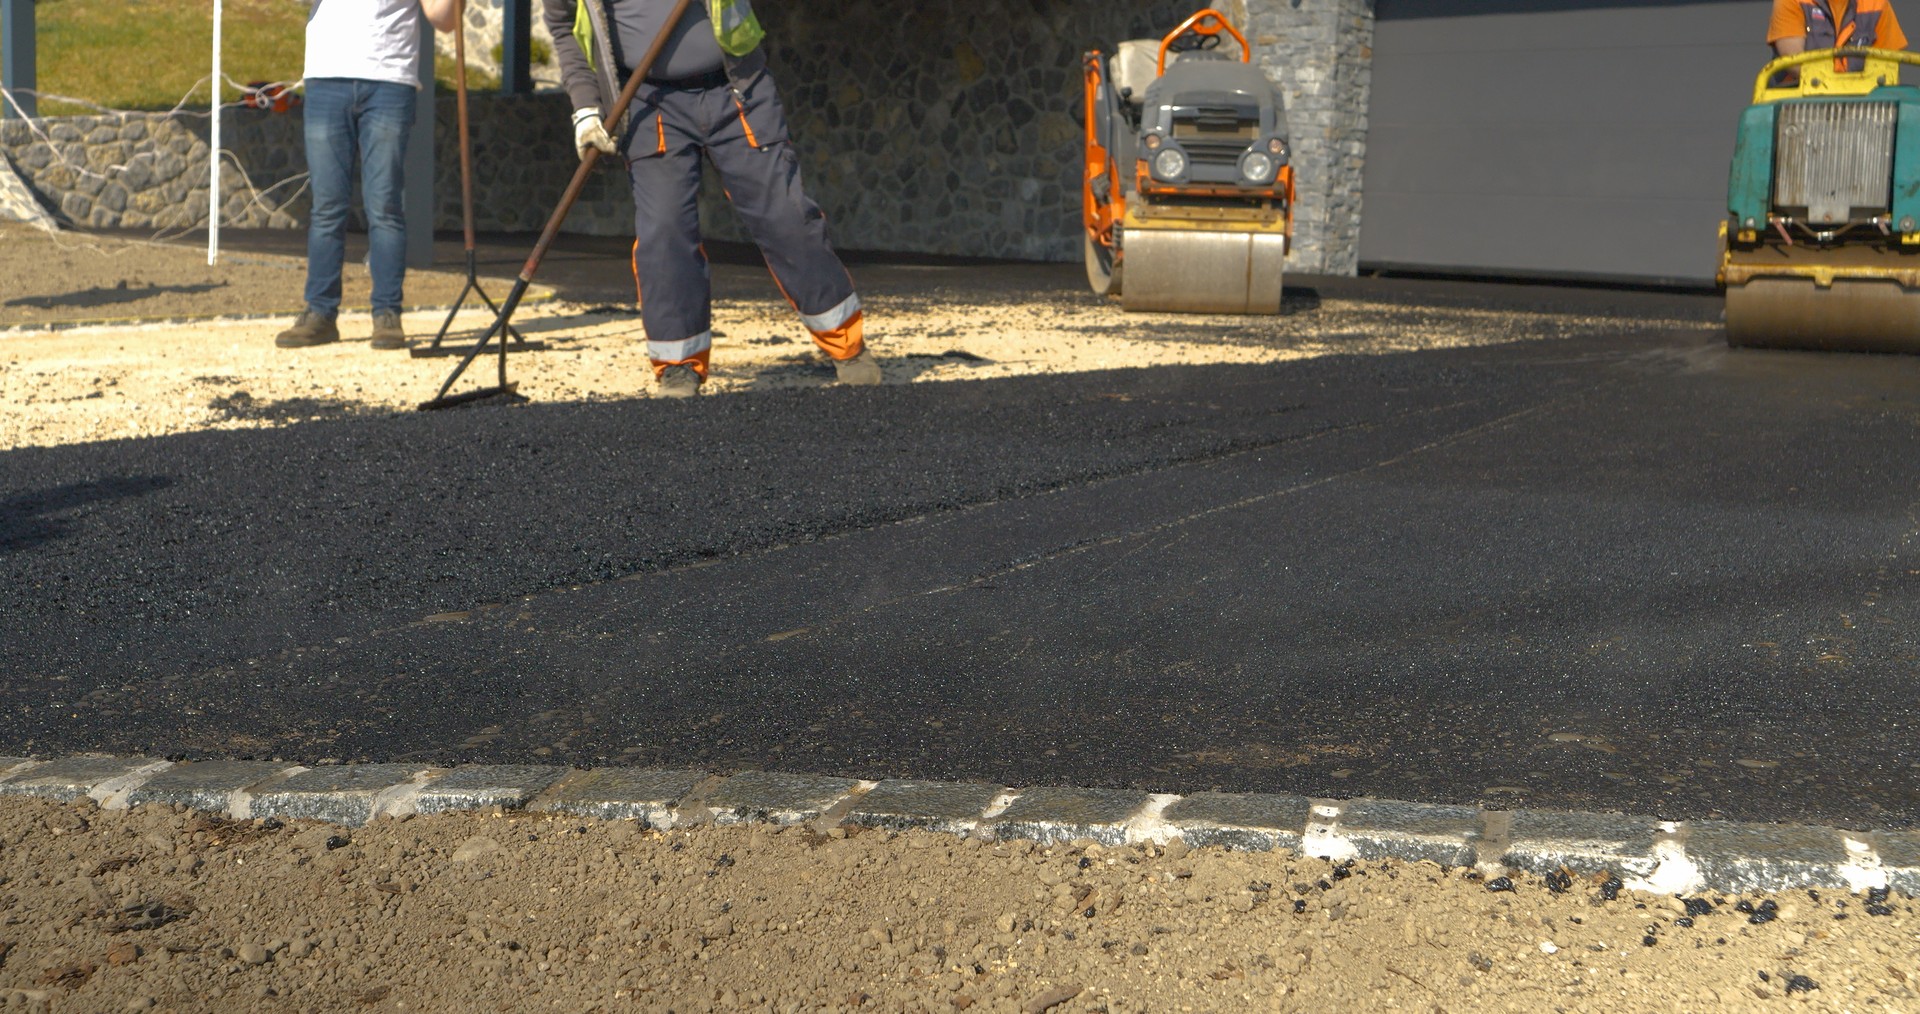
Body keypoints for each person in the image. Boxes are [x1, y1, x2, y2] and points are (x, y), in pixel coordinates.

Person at [546, 0, 881, 397]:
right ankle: (678, 364)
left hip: (736, 85)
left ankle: (848, 348)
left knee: (785, 215)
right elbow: (562, 25)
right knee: (664, 230)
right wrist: (586, 105)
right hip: (647, 102)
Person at [276, 0, 459, 351]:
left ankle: (387, 314)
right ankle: (320, 312)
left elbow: (444, 19)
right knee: (327, 206)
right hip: (327, 75)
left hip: (390, 80)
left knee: (385, 205)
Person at [1769, 0, 1907, 61]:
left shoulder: (1877, 3)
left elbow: (1887, 69)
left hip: (1862, 108)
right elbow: (1793, 61)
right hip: (1797, 106)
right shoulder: (1791, 1)